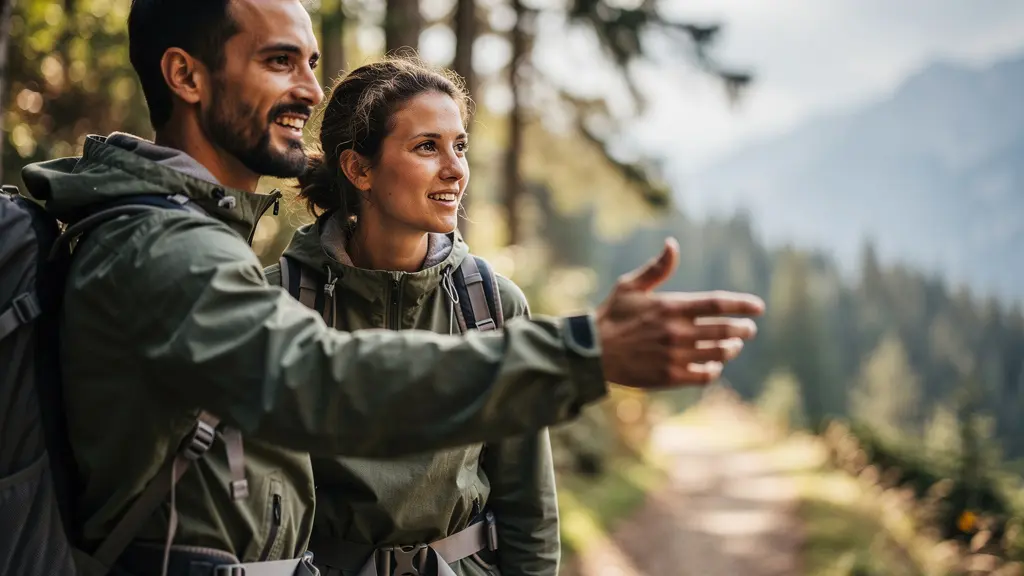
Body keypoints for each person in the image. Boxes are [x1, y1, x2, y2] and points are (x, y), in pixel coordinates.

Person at [16, 0, 764, 574]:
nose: (311, 88)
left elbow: (521, 504)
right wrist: (582, 352)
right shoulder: (167, 252)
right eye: (281, 62)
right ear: (185, 76)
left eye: (312, 62)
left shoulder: (205, 243)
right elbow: (324, 383)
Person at [263, 57, 565, 576]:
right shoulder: (277, 304)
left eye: (460, 145)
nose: (455, 169)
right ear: (358, 169)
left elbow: (529, 508)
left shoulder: (493, 307)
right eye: (428, 146)